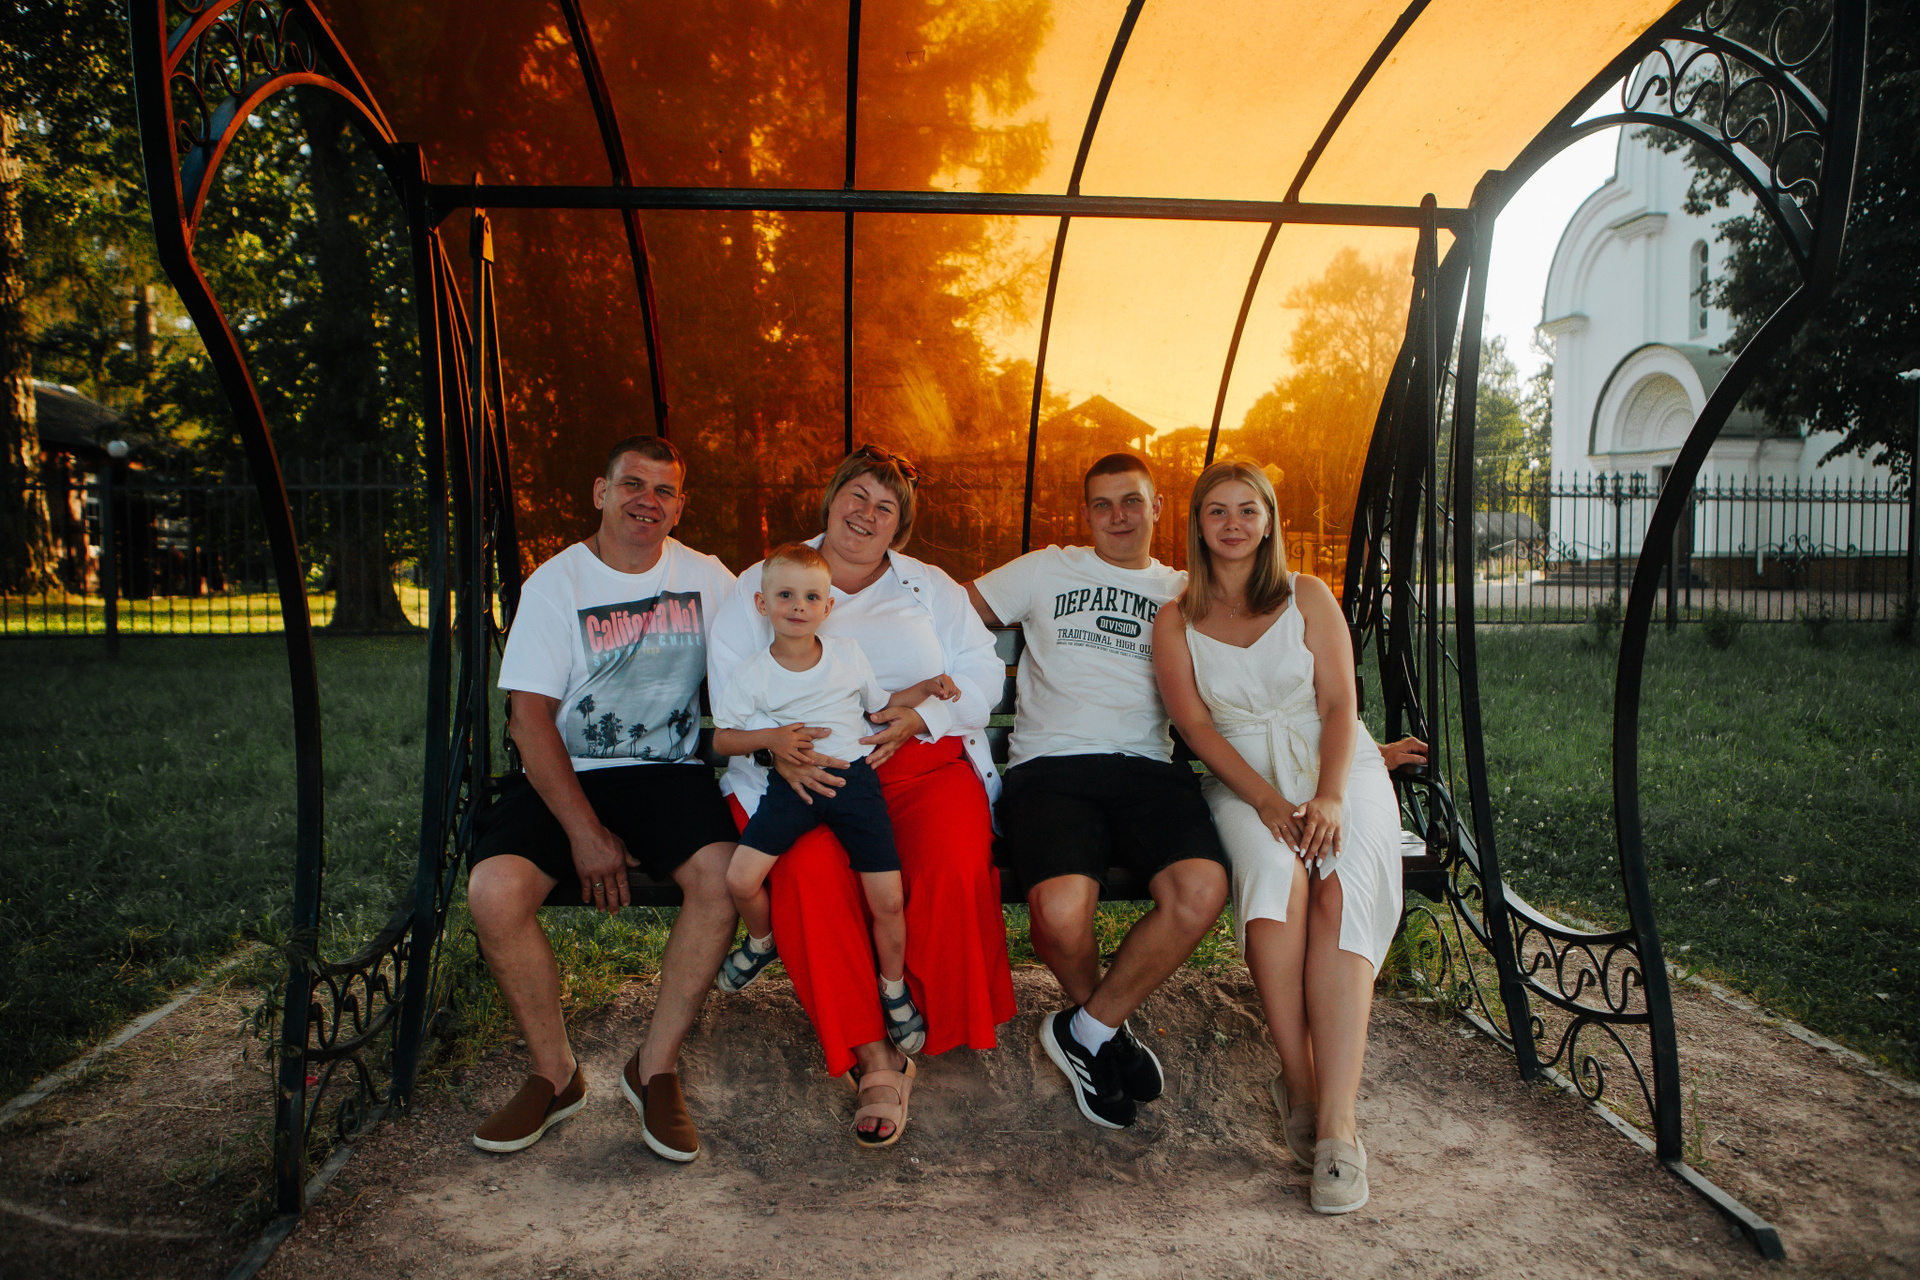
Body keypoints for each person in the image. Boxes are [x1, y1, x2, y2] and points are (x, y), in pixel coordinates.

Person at [708, 446, 1014, 1147]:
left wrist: (923, 717)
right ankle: (875, 1058)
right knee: (810, 874)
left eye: (886, 507)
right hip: (805, 773)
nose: (867, 514)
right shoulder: (768, 580)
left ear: (899, 525)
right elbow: (731, 694)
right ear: (832, 498)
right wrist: (778, 750)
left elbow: (981, 672)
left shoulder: (929, 587)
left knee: (949, 859)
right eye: (858, 496)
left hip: (922, 765)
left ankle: (917, 1011)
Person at [466, 435, 738, 1164]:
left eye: (664, 490)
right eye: (632, 485)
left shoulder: (708, 578)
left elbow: (774, 641)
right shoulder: (556, 584)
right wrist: (585, 833)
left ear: (680, 507)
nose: (648, 501)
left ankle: (655, 1068)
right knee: (494, 892)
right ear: (601, 492)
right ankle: (555, 1076)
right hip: (567, 771)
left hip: (667, 774)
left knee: (722, 880)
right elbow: (529, 721)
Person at [1153, 458, 1402, 1215]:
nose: (1233, 524)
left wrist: (1330, 796)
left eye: (1248, 510)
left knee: (1341, 888)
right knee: (1275, 876)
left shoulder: (1307, 596)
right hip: (1243, 781)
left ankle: (1338, 1127)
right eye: (1217, 511)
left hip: (1338, 768)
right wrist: (1266, 801)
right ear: (1197, 524)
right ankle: (1297, 1080)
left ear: (1269, 522)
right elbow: (1196, 728)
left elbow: (1340, 705)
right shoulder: (1176, 619)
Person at [966, 454, 1231, 1130]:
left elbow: (1263, 668)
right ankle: (1104, 1030)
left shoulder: (1184, 589)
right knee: (1059, 914)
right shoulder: (1045, 569)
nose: (1118, 516)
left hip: (1148, 769)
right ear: (1085, 514)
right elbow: (944, 615)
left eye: (1131, 501)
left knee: (1201, 890)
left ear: (1157, 507)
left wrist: (1352, 747)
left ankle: (1085, 1030)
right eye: (1103, 504)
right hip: (1052, 771)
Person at [709, 541, 963, 1067]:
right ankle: (762, 941)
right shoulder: (753, 674)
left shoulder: (847, 655)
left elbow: (880, 709)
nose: (798, 606)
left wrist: (926, 688)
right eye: (785, 595)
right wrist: (772, 740)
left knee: (886, 900)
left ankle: (893, 988)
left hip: (856, 787)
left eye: (811, 597)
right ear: (762, 604)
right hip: (794, 788)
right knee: (740, 880)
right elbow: (723, 739)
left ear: (827, 607)